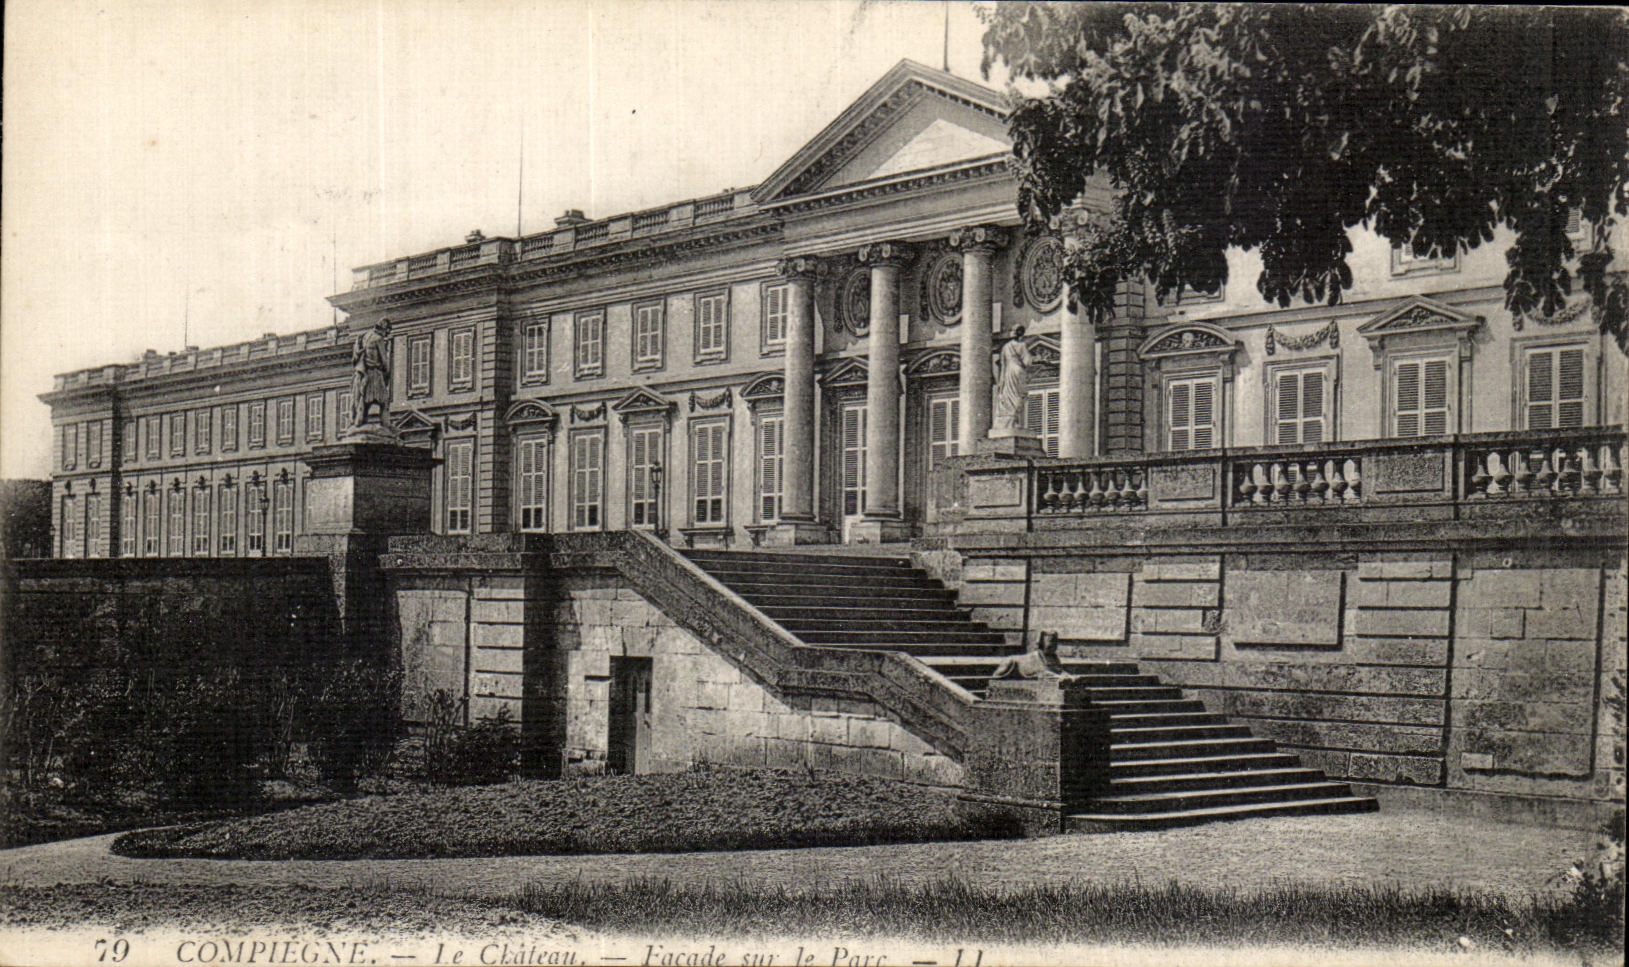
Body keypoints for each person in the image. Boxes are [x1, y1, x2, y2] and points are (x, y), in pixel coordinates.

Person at [350, 318, 392, 429]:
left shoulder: (366, 336)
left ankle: (358, 422)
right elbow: (384, 360)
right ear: (384, 329)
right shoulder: (378, 339)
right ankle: (386, 425)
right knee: (384, 402)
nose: (386, 334)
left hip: (365, 374)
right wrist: (388, 373)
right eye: (387, 331)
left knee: (364, 401)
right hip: (375, 374)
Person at [990, 630, 1078, 682]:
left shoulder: (1053, 657)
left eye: (1055, 642)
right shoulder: (1036, 656)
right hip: (1015, 664)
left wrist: (1069, 676)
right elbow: (1044, 673)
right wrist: (1060, 678)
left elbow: (1059, 670)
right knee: (1010, 662)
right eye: (1050, 642)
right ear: (1042, 643)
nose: (1053, 645)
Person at [992, 325, 1031, 433]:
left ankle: (1006, 422)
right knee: (1018, 396)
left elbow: (1003, 365)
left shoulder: (1005, 347)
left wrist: (1001, 381)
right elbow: (1027, 362)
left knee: (1008, 397)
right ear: (1021, 333)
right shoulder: (1022, 345)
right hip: (1018, 372)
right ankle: (1014, 421)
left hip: (1008, 373)